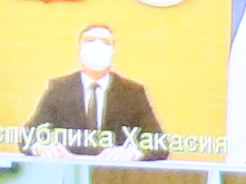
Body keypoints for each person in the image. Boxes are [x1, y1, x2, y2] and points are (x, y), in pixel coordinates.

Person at [25, 25, 167, 159]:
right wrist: (39, 146)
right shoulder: (59, 88)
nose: (97, 47)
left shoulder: (133, 93)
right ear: (79, 50)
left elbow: (160, 144)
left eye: (105, 42)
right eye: (89, 40)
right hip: (69, 170)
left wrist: (134, 153)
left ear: (114, 52)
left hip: (115, 173)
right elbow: (27, 135)